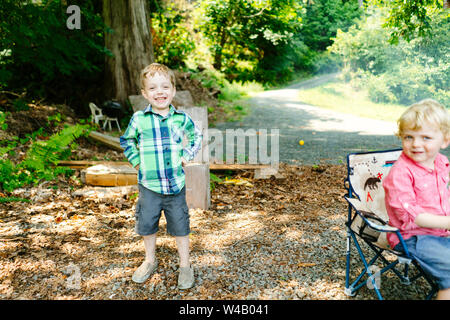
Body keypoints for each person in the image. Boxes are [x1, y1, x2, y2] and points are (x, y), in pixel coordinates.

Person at [120, 63, 202, 289]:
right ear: (145, 94)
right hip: (149, 185)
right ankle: (149, 260)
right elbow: (127, 140)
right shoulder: (139, 119)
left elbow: (196, 135)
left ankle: (185, 265)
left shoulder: (180, 118)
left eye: (165, 86)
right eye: (153, 88)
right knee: (147, 224)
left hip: (175, 185)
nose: (160, 92)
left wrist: (187, 154)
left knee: (180, 225)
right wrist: (136, 161)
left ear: (173, 91)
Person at [383, 98, 450, 300]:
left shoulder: (441, 162)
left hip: (440, 232)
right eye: (409, 137)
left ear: (445, 141)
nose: (416, 144)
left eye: (426, 138)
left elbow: (441, 197)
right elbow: (415, 217)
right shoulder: (400, 173)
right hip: (412, 237)